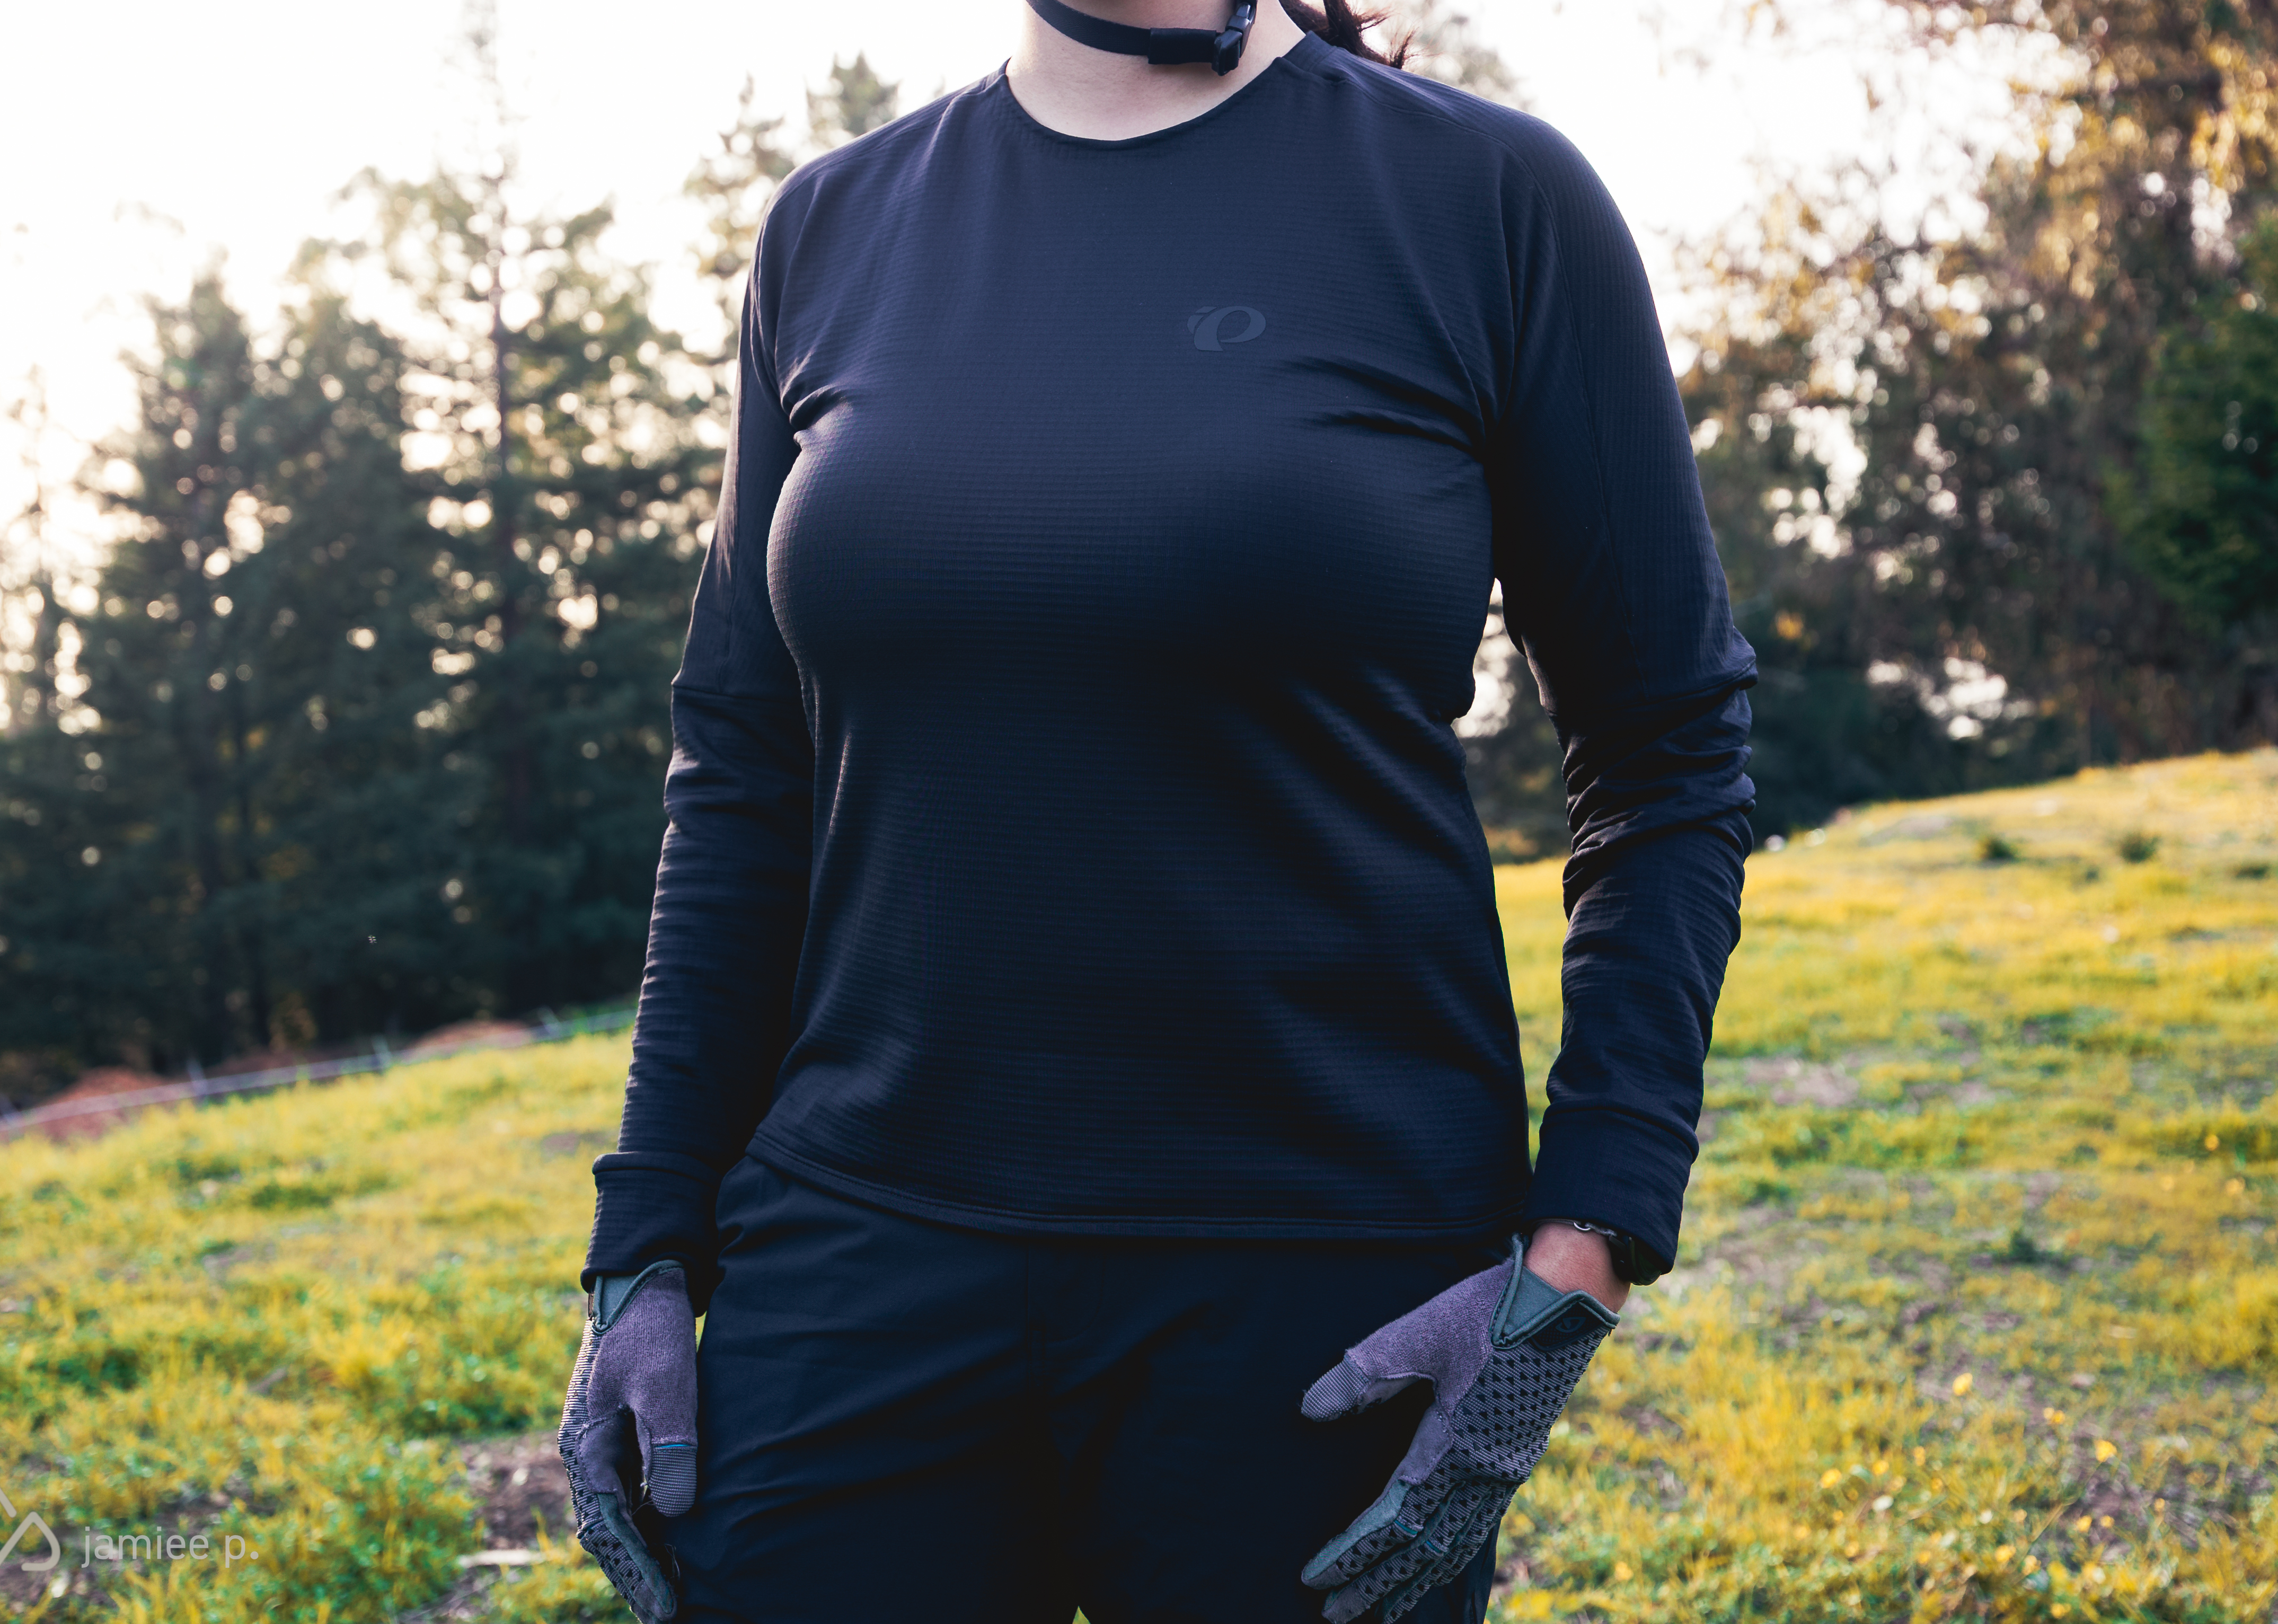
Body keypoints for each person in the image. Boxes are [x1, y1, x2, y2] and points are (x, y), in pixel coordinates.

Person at [557, 1, 1758, 1619]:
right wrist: (644, 1240)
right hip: (853, 1259)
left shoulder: (1488, 199)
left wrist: (1590, 1241)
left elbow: (1668, 744)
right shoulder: (834, 226)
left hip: (1323, 1295)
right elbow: (744, 765)